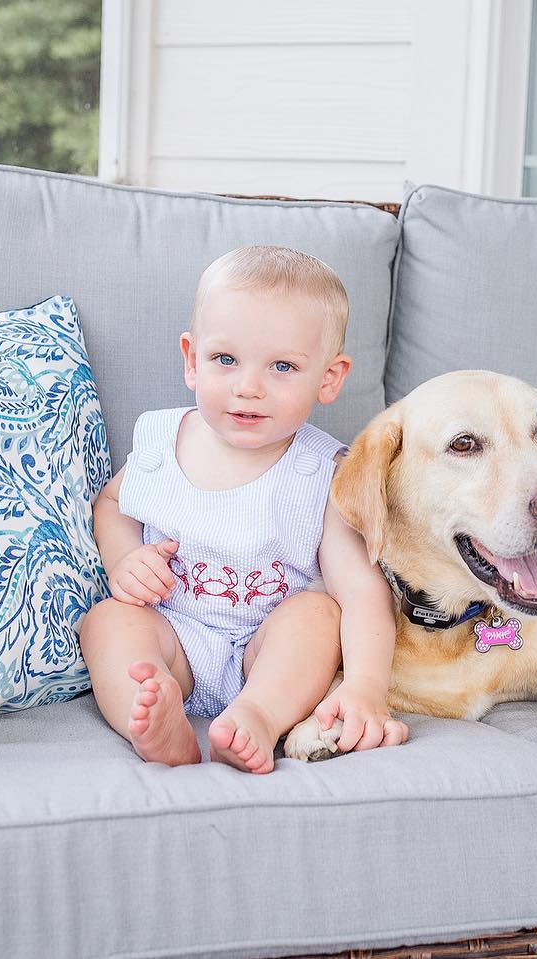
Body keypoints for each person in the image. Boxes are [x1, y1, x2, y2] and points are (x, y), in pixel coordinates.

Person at [80, 245, 408, 773]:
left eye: (282, 366)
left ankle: (257, 715)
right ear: (192, 360)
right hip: (175, 632)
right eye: (225, 360)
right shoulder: (162, 441)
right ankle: (154, 722)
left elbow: (363, 592)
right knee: (108, 622)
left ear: (328, 377)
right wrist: (124, 560)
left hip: (269, 648)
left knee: (318, 614)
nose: (248, 387)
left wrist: (368, 688)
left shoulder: (324, 473)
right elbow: (113, 502)